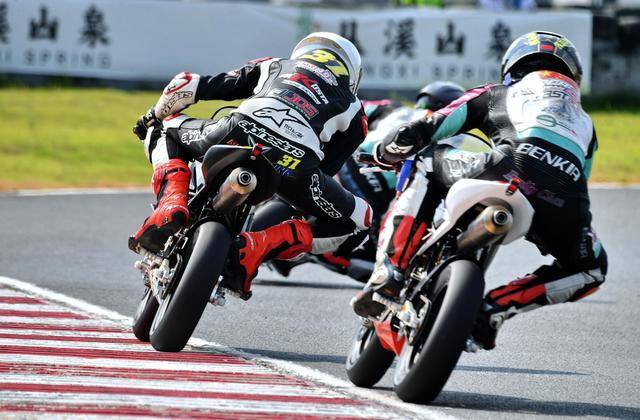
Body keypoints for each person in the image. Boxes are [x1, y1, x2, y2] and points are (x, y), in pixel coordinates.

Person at [352, 31, 608, 351]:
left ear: (511, 69)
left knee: (424, 161)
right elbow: (582, 178)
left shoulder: (497, 93)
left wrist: (387, 151)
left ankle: (392, 268)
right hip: (565, 198)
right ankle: (492, 311)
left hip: (504, 167)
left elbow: (429, 127)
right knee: (592, 269)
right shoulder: (586, 124)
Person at [130, 32, 372, 298]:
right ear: (352, 74)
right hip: (294, 163)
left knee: (163, 128)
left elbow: (187, 85)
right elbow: (326, 170)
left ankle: (171, 203)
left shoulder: (274, 64)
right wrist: (294, 188)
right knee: (359, 221)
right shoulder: (355, 109)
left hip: (235, 132)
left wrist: (151, 117)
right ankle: (256, 248)